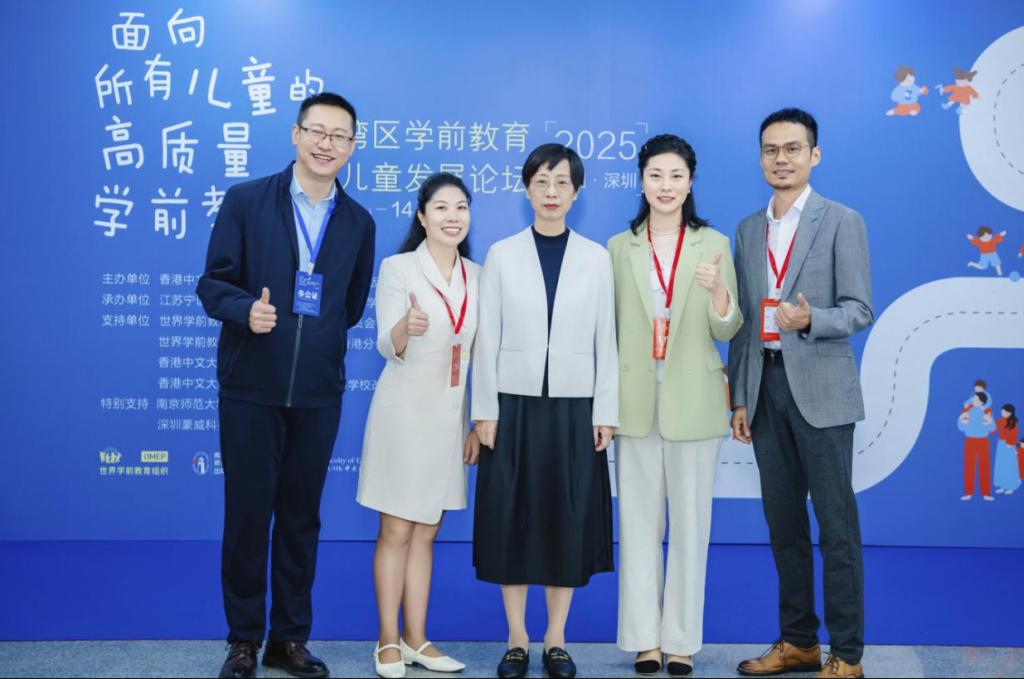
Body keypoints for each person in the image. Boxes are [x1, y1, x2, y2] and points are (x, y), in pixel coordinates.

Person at [197, 92, 375, 679]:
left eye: (339, 135)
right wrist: (245, 310)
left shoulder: (358, 222)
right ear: (296, 135)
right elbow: (213, 283)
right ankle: (244, 640)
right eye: (317, 131)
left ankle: (290, 639)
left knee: (301, 520)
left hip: (319, 393)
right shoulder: (247, 201)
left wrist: (315, 341)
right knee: (248, 516)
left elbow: (350, 306)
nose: (327, 144)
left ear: (352, 147)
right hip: (251, 385)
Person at [727, 108, 873, 679]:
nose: (781, 159)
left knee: (837, 528)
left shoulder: (842, 221)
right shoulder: (747, 230)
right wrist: (741, 397)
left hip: (822, 391)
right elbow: (743, 323)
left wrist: (813, 319)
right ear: (760, 157)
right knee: (783, 526)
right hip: (765, 389)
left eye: (792, 148)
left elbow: (859, 309)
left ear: (815, 155)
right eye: (771, 149)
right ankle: (799, 642)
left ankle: (848, 654)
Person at [472, 143, 618, 679]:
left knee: (566, 520)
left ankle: (556, 639)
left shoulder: (596, 257)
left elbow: (608, 339)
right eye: (541, 182)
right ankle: (516, 639)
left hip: (576, 406)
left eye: (561, 183)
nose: (551, 192)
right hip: (512, 405)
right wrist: (484, 410)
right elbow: (486, 338)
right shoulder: (502, 254)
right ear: (527, 189)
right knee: (511, 518)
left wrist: (606, 411)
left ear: (576, 193)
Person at [607, 134, 742, 677]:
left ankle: (681, 641)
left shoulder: (715, 243)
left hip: (695, 398)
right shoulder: (619, 247)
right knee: (638, 525)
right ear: (641, 181)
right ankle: (644, 639)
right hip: (634, 401)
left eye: (676, 176)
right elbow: (609, 332)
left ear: (691, 182)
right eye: (656, 175)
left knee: (690, 527)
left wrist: (717, 292)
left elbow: (727, 327)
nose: (666, 186)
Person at [357, 173, 480, 678]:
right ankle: (386, 640)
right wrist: (404, 328)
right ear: (422, 216)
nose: (453, 216)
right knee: (396, 529)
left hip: (450, 420)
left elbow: (483, 358)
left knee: (427, 531)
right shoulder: (399, 268)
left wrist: (477, 422)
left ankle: (416, 639)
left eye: (461, 207)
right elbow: (385, 344)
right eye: (442, 207)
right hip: (403, 416)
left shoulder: (479, 275)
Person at [959, 393, 997, 501]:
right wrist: (962, 420)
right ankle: (968, 493)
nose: (973, 401)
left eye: (975, 399)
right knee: (969, 467)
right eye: (973, 399)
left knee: (984, 466)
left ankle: (986, 493)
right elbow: (960, 427)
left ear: (981, 402)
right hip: (970, 440)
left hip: (983, 441)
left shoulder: (986, 412)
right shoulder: (968, 411)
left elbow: (993, 429)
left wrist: (989, 422)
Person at [993, 405, 1020, 495]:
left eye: (1004, 412)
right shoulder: (1001, 420)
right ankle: (1003, 486)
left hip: (1008, 445)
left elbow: (1014, 433)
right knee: (1001, 465)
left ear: (1010, 412)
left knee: (1009, 466)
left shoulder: (1013, 422)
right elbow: (994, 429)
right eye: (1002, 411)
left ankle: (1011, 486)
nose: (1002, 413)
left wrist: (1010, 443)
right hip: (1001, 444)